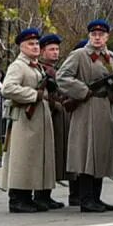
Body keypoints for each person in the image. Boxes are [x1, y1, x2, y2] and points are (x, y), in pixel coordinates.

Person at [55, 20, 113, 214]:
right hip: (86, 108)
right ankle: (85, 199)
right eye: (94, 34)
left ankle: (96, 198)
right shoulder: (80, 55)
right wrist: (83, 90)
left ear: (107, 37)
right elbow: (62, 77)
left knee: (100, 154)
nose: (97, 37)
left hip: (105, 108)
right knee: (86, 155)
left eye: (101, 34)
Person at [1, 27, 60, 213]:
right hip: (24, 119)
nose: (35, 47)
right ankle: (17, 199)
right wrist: (34, 94)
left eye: (36, 44)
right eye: (30, 44)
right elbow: (8, 89)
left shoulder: (35, 66)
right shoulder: (18, 66)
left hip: (38, 118)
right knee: (22, 159)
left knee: (34, 158)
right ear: (21, 47)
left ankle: (32, 197)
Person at [40, 33, 71, 194]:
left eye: (57, 49)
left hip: (57, 116)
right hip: (47, 115)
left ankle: (46, 194)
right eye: (51, 49)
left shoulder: (56, 70)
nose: (55, 52)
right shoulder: (41, 69)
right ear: (42, 51)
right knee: (46, 155)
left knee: (55, 155)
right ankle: (41, 195)